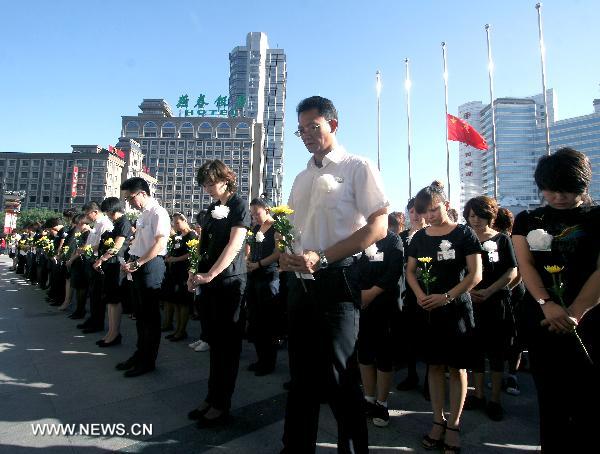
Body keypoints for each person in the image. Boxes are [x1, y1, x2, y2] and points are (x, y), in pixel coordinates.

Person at [280, 96, 388, 453]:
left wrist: (323, 257)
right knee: (300, 378)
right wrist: (287, 254)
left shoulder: (357, 166)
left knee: (340, 377)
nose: (308, 135)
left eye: (314, 127)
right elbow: (296, 228)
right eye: (301, 130)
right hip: (301, 283)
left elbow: (379, 227)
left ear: (333, 125)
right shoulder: (301, 177)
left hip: (338, 279)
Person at [511, 147, 600, 453]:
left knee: (589, 403)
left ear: (584, 185)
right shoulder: (527, 219)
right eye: (551, 189)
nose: (559, 196)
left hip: (589, 319)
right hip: (543, 319)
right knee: (551, 403)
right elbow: (526, 265)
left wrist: (576, 311)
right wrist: (546, 303)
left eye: (568, 189)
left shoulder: (597, 216)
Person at [405, 181, 482, 454]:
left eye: (434, 209)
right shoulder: (420, 237)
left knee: (457, 368)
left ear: (446, 205)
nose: (430, 216)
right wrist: (419, 295)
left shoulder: (464, 234)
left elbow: (475, 274)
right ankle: (437, 420)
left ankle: (454, 424)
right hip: (428, 310)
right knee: (434, 367)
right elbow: (410, 271)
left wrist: (447, 297)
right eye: (425, 212)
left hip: (456, 309)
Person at [187, 159, 250, 427]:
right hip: (209, 281)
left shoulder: (239, 204)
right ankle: (212, 397)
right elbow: (201, 245)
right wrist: (194, 273)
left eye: (212, 183)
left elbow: (235, 245)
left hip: (229, 281)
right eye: (204, 184)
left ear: (226, 179)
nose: (208, 188)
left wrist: (211, 274)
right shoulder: (212, 208)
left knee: (228, 346)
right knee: (214, 342)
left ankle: (222, 404)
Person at [462, 196, 518, 421]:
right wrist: (467, 292)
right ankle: (478, 395)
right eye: (472, 215)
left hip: (495, 302)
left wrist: (489, 291)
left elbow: (511, 271)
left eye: (480, 215)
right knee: (475, 352)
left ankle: (495, 399)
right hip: (470, 302)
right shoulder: (463, 239)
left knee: (496, 353)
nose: (476, 220)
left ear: (490, 215)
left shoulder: (502, 239)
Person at [118, 177, 170, 377]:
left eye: (130, 198)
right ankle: (140, 354)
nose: (129, 202)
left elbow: (159, 244)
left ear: (142, 193)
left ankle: (148, 360)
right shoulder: (142, 215)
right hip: (138, 265)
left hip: (151, 266)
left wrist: (138, 263)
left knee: (150, 317)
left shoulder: (158, 213)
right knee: (140, 316)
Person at [357, 226, 404, 427]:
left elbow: (394, 272)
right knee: (365, 354)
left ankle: (382, 403)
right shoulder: (358, 238)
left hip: (386, 306)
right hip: (361, 305)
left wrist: (371, 293)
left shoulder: (393, 240)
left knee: (384, 357)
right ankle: (368, 399)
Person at [245, 197, 281, 376]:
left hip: (268, 277)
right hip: (254, 275)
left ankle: (269, 362)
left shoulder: (277, 227)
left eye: (256, 213)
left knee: (268, 321)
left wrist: (258, 264)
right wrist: (248, 260)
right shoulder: (255, 228)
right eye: (252, 214)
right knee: (256, 319)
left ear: (267, 209)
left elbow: (278, 253)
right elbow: (249, 247)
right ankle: (260, 359)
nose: (254, 217)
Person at [397, 197, 428, 392]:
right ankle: (411, 375)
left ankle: (429, 382)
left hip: (427, 292)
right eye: (411, 211)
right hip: (405, 293)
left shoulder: (432, 235)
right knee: (408, 337)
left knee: (428, 338)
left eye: (418, 211)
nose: (415, 215)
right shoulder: (401, 238)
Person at [93, 197, 132, 347]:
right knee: (110, 300)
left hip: (116, 264)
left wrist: (101, 259)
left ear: (114, 210)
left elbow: (117, 246)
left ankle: (115, 333)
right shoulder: (117, 223)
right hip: (111, 265)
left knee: (114, 300)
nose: (108, 215)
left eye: (109, 212)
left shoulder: (124, 223)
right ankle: (111, 332)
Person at [77, 201, 114, 334]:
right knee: (93, 293)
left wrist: (87, 248)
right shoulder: (97, 224)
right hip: (91, 260)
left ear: (95, 212)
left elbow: (104, 245)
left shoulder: (105, 224)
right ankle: (93, 318)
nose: (87, 217)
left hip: (98, 262)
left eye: (88, 214)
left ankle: (97, 322)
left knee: (97, 295)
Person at [163, 213, 197, 342]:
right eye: (174, 223)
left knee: (183, 302)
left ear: (184, 221)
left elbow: (191, 254)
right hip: (174, 271)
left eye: (178, 222)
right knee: (176, 301)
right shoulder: (177, 236)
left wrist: (176, 259)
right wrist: (169, 256)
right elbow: (174, 250)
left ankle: (182, 330)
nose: (176, 225)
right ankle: (177, 329)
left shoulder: (191, 235)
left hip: (184, 272)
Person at [65, 215, 91, 319]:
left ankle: (81, 310)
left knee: (81, 288)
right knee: (78, 287)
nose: (77, 226)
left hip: (82, 262)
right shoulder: (81, 234)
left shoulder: (88, 233)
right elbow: (76, 249)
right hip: (77, 262)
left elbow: (81, 250)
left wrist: (71, 259)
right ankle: (78, 309)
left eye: (79, 224)